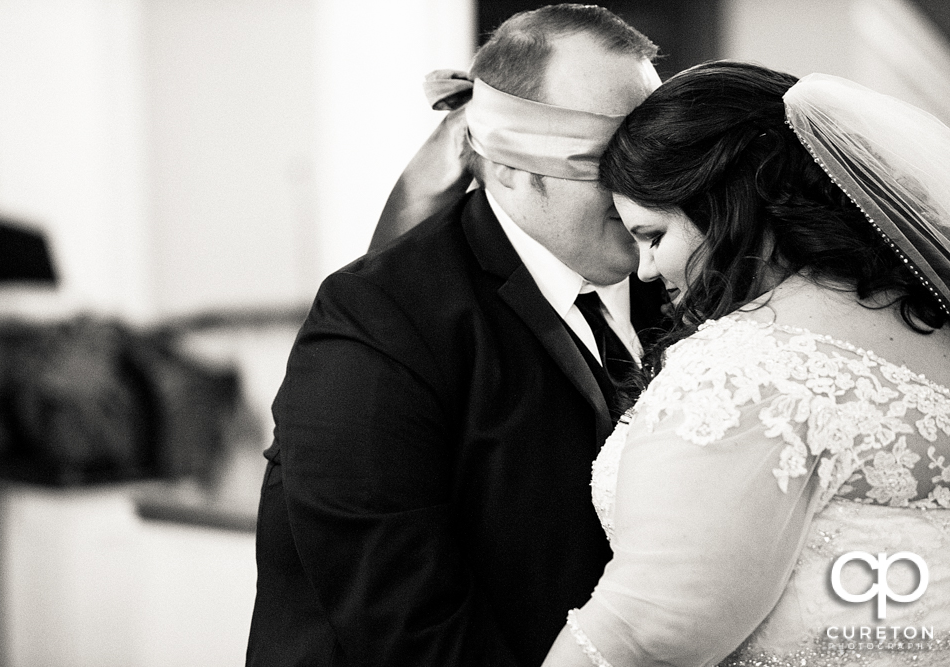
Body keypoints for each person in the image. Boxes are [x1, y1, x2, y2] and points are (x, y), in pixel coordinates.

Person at [246, 5, 669, 666]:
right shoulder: (377, 327)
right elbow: (407, 628)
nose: (651, 188)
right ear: (505, 162)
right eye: (609, 160)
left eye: (663, 153)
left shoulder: (676, 288)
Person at [542, 61, 950, 666]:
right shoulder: (927, 316)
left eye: (653, 236)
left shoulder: (750, 370)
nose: (647, 270)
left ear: (731, 199)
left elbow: (643, 635)